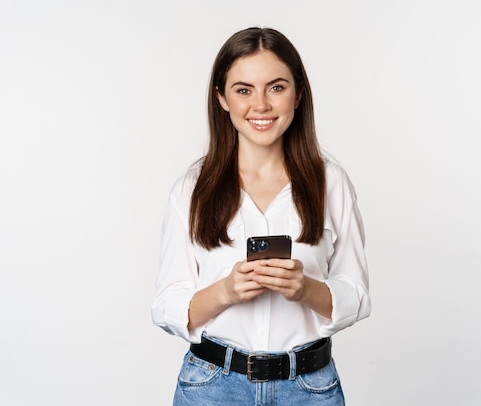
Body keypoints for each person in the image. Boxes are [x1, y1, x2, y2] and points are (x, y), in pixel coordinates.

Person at [151, 27, 371, 406]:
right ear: (221, 98)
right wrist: (225, 291)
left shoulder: (330, 183)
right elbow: (167, 305)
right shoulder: (191, 188)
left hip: (308, 389)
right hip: (212, 388)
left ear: (298, 94)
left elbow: (357, 294)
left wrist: (305, 289)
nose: (261, 105)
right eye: (243, 90)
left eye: (276, 87)